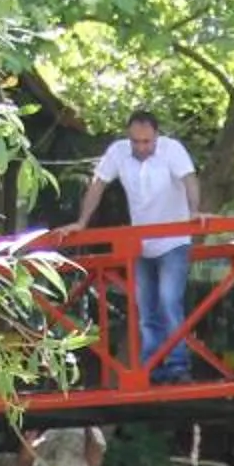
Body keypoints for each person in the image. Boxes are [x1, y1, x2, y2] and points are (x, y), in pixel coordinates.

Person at [70, 111, 200, 385]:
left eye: (147, 142)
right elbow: (98, 184)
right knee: (146, 310)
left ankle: (177, 366)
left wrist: (195, 211)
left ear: (157, 136)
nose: (141, 147)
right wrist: (82, 222)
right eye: (136, 142)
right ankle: (152, 366)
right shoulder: (118, 152)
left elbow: (189, 179)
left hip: (174, 241)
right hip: (141, 244)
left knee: (168, 302)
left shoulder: (172, 150)